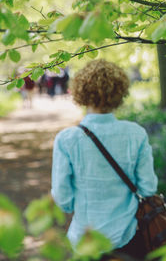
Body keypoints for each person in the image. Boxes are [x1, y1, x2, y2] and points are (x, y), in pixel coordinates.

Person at [51, 59, 158, 260]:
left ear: (80, 92)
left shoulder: (67, 139)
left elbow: (63, 200)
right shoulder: (136, 134)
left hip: (85, 240)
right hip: (128, 237)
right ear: (120, 93)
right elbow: (148, 188)